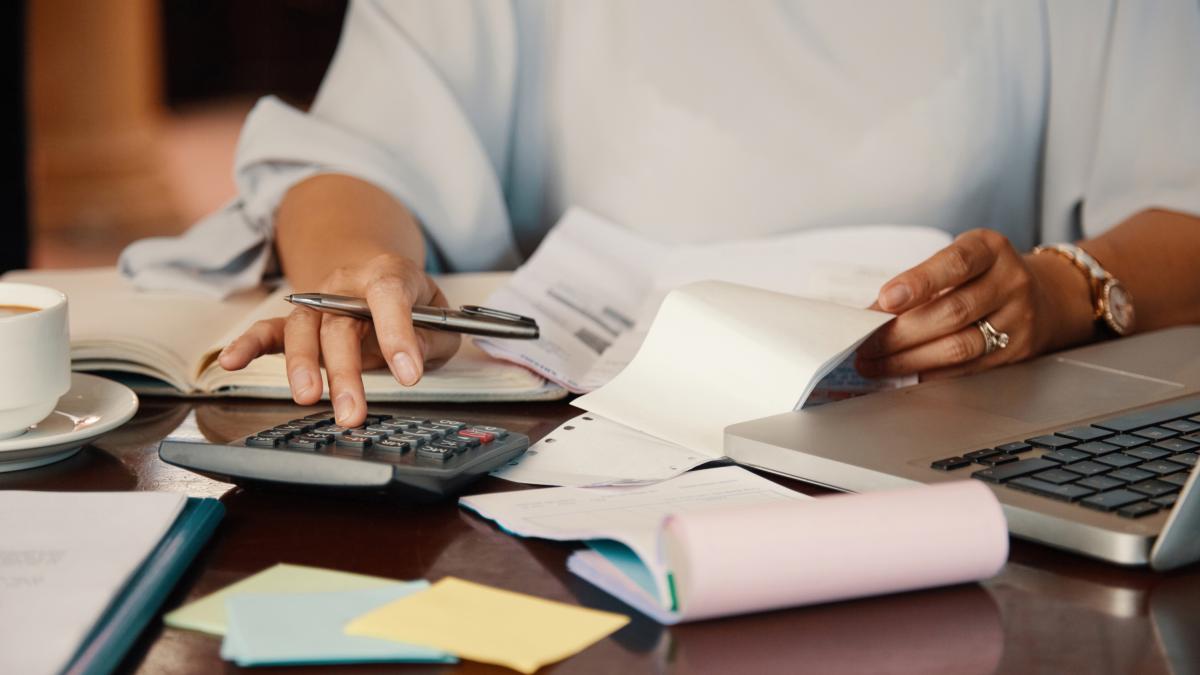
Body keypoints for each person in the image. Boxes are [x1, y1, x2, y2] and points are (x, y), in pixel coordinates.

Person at [121, 1, 1200, 428]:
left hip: (951, 444)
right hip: (589, 447)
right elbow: (353, 157)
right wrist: (364, 267)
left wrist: (1061, 290)